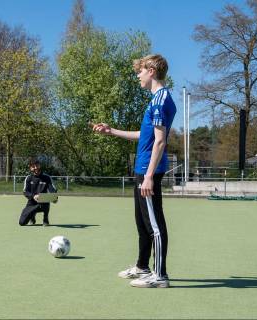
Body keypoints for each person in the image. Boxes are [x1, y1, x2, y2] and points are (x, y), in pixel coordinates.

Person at [92, 54, 176, 288]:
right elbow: (145, 135)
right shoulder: (155, 99)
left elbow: (160, 141)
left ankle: (160, 276)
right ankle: (142, 266)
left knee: (154, 225)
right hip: (142, 168)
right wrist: (111, 131)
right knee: (142, 222)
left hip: (149, 170)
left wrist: (149, 176)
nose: (138, 76)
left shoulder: (160, 100)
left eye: (140, 71)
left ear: (151, 71)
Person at [19, 158, 57, 226]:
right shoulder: (28, 178)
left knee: (47, 198)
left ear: (40, 165)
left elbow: (53, 190)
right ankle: (32, 215)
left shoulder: (47, 178)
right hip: (32, 202)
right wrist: (33, 196)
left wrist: (53, 197)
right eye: (33, 166)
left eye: (37, 165)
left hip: (43, 201)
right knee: (22, 222)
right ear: (30, 168)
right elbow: (25, 191)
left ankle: (45, 218)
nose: (36, 168)